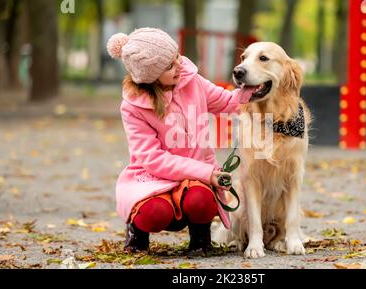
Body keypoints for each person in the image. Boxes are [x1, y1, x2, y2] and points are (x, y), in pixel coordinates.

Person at [106, 28, 255, 254]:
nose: (179, 64)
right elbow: (153, 159)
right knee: (155, 212)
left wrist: (253, 90)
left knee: (201, 200)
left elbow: (228, 102)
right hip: (154, 178)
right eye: (169, 65)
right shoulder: (134, 106)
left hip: (196, 178)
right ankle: (137, 232)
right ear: (151, 76)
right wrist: (206, 172)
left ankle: (200, 238)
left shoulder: (192, 81)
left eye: (176, 55)